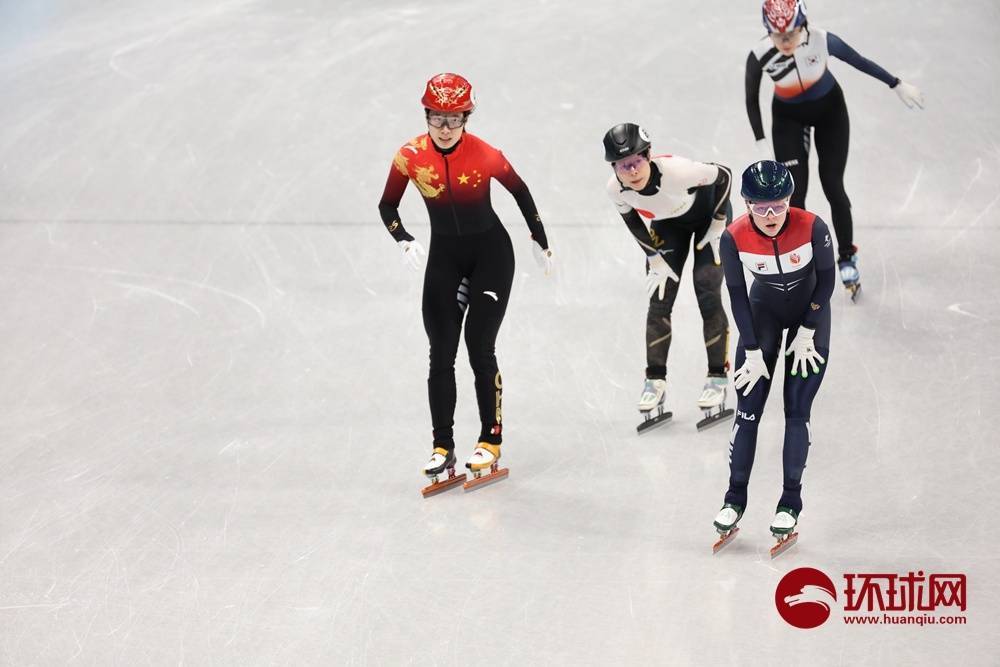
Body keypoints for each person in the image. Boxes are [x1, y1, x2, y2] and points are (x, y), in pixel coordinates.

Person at [377, 73, 553, 490]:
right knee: (440, 352)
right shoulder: (409, 156)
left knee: (479, 344)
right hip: (445, 258)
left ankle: (490, 441)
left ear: (466, 118)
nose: (444, 128)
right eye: (437, 118)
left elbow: (521, 191)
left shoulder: (486, 154)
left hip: (491, 256)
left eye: (454, 119)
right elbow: (387, 204)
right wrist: (402, 238)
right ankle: (443, 446)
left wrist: (540, 240)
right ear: (426, 115)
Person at [745, 0, 924, 299]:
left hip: (830, 113)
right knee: (793, 194)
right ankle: (797, 264)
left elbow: (859, 61)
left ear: (803, 24)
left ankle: (846, 256)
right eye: (778, 36)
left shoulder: (822, 39)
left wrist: (896, 83)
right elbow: (751, 98)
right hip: (788, 120)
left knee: (833, 187)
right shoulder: (760, 54)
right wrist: (760, 141)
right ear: (767, 33)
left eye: (790, 33)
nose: (785, 42)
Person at [711, 160, 835, 555]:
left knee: (796, 410)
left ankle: (790, 503)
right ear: (746, 204)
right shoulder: (732, 238)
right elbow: (735, 293)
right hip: (761, 313)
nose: (769, 216)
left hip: (809, 314)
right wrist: (749, 349)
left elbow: (828, 278)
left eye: (778, 206)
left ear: (789, 201)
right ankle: (734, 499)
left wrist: (810, 328)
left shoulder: (813, 226)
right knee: (748, 409)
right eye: (760, 207)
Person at [602, 123, 733, 433]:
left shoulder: (680, 172)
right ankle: (654, 381)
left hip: (707, 219)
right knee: (659, 300)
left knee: (706, 287)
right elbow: (632, 220)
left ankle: (717, 376)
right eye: (623, 165)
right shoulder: (615, 188)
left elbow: (724, 175)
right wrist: (653, 257)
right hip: (668, 226)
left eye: (636, 161)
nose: (631, 170)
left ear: (649, 155)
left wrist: (719, 222)